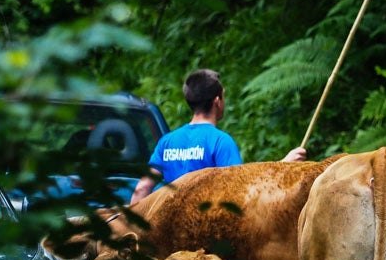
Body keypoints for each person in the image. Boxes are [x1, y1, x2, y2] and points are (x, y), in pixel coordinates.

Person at [130, 69, 306, 204]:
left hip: (172, 233)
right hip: (205, 233)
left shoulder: (166, 143)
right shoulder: (220, 142)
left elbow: (142, 188)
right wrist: (283, 165)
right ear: (217, 101)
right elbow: (242, 188)